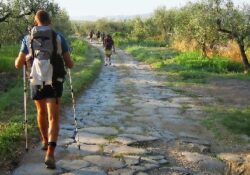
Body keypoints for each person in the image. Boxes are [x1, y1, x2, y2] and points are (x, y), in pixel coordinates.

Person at [15, 10, 74, 169]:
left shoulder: (28, 38)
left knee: (41, 112)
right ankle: (50, 153)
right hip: (54, 81)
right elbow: (70, 64)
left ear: (36, 21)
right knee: (53, 117)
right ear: (50, 21)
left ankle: (44, 140)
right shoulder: (58, 37)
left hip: (36, 81)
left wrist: (27, 57)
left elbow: (17, 64)